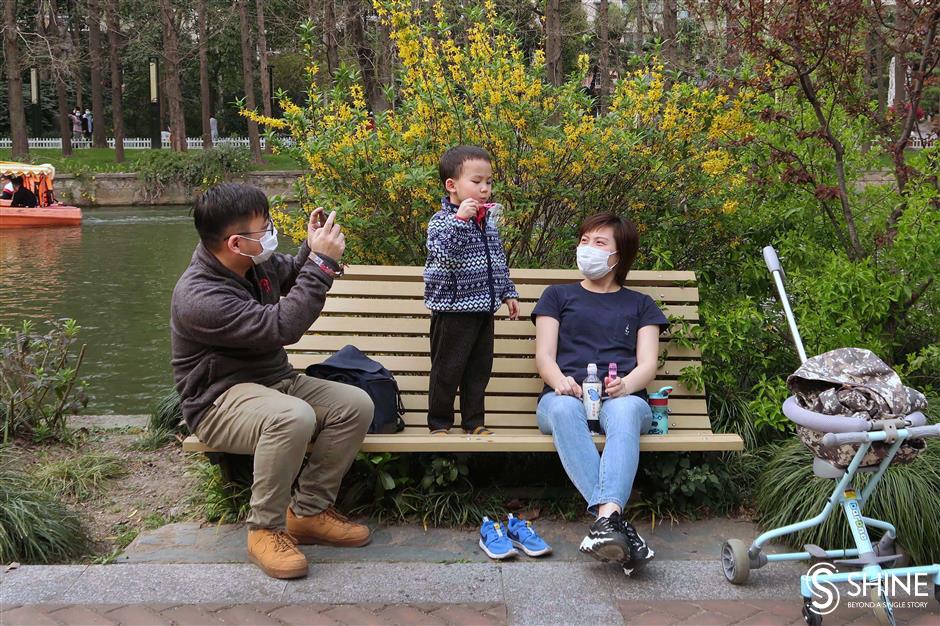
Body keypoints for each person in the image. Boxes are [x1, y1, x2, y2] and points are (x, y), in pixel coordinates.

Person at [170, 183, 374, 580]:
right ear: (235, 242)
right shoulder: (200, 296)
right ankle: (265, 529)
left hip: (273, 383)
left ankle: (309, 513)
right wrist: (324, 266)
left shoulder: (251, 262)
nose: (270, 236)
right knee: (291, 417)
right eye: (264, 230)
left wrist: (311, 251)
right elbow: (283, 325)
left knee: (355, 405)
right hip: (218, 401)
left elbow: (292, 272)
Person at [532, 212, 668, 577]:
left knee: (624, 413)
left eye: (599, 243)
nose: (587, 249)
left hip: (623, 397)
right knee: (562, 410)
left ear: (618, 255)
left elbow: (648, 365)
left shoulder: (641, 305)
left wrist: (627, 384)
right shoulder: (557, 296)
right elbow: (544, 356)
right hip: (563, 398)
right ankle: (614, 524)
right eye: (584, 241)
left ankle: (606, 523)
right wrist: (559, 380)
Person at [423, 145, 520, 435]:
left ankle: (474, 422)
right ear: (451, 186)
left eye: (489, 182)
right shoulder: (441, 222)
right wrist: (461, 220)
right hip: (452, 311)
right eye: (476, 182)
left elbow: (497, 260)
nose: (485, 189)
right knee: (447, 370)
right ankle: (439, 423)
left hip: (483, 309)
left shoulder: (487, 222)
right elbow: (446, 253)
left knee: (478, 370)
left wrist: (508, 291)